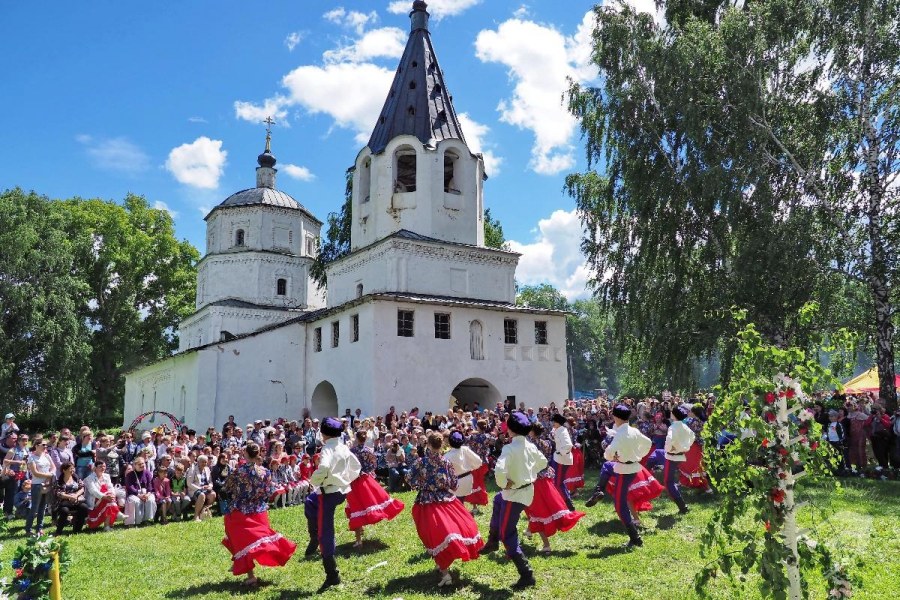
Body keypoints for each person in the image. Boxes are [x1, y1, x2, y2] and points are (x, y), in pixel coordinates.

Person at [407, 432, 483, 588]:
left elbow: (408, 478)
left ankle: (445, 573)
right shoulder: (446, 462)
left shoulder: (420, 462)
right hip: (447, 499)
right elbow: (454, 484)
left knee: (434, 535)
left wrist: (420, 482)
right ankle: (444, 564)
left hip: (427, 501)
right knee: (449, 530)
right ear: (441, 445)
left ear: (428, 444)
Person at [481, 412, 547, 589]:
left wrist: (505, 483)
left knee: (507, 533)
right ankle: (493, 540)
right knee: (497, 499)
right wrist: (528, 472)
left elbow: (499, 471)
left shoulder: (509, 449)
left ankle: (527, 574)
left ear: (509, 429)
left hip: (515, 494)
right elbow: (543, 462)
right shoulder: (529, 445)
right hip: (524, 492)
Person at [222, 442, 297, 588]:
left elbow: (226, 488)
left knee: (241, 542)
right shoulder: (265, 472)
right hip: (259, 511)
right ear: (258, 454)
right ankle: (238, 562)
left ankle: (250, 576)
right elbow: (269, 492)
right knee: (258, 540)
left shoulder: (239, 471)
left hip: (241, 510)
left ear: (245, 454)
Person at [304, 417, 361, 593]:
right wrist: (345, 481)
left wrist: (313, 481)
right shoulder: (343, 446)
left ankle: (332, 574)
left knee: (325, 532)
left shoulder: (327, 449)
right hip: (338, 491)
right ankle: (314, 534)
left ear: (324, 433)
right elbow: (356, 466)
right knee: (310, 503)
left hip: (328, 493)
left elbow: (324, 468)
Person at [524, 423, 585, 554]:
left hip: (534, 479)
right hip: (545, 478)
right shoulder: (546, 443)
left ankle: (546, 545)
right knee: (544, 506)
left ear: (532, 432)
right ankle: (529, 530)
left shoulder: (528, 445)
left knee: (537, 510)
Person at [599, 404, 651, 548]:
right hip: (632, 466)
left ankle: (635, 537)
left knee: (620, 504)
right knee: (620, 500)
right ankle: (635, 537)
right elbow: (648, 443)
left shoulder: (620, 434)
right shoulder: (634, 431)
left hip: (624, 469)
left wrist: (612, 455)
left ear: (616, 417)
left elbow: (608, 453)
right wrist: (638, 454)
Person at [345, 430, 404, 547]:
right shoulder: (368, 450)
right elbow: (374, 465)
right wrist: (367, 471)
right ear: (365, 439)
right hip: (366, 479)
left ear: (356, 438)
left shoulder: (351, 451)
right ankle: (360, 533)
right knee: (368, 503)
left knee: (356, 506)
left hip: (353, 480)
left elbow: (348, 466)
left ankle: (358, 540)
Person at [661, 404, 693, 514]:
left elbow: (669, 440)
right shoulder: (685, 427)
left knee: (668, 482)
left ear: (674, 415)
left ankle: (682, 506)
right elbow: (692, 437)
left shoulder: (673, 427)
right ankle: (682, 505)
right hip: (680, 455)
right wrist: (685, 447)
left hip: (672, 456)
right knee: (670, 481)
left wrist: (669, 448)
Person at [25, 437, 55, 536]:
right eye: (43, 445)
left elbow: (53, 467)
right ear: (36, 446)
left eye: (46, 445)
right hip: (37, 485)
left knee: (43, 507)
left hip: (47, 484)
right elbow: (35, 473)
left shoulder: (47, 456)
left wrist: (49, 476)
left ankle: (39, 528)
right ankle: (28, 529)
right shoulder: (31, 458)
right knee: (34, 508)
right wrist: (49, 476)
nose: (45, 446)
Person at [444, 431, 483, 504]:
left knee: (456, 504)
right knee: (460, 501)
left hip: (456, 484)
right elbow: (478, 462)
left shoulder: (447, 456)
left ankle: (461, 514)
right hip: (468, 480)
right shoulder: (465, 449)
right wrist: (471, 467)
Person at [83, 461, 121, 531]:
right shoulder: (89, 478)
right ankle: (117, 513)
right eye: (100, 467)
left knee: (109, 502)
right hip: (94, 500)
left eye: (104, 466)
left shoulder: (107, 476)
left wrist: (112, 494)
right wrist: (104, 496)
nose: (103, 468)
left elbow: (111, 487)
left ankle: (107, 526)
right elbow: (93, 491)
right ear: (95, 468)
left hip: (107, 498)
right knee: (108, 501)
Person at [53, 462, 89, 535]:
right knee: (64, 511)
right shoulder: (59, 481)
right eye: (70, 469)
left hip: (76, 500)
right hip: (64, 502)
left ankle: (77, 530)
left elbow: (82, 488)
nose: (72, 470)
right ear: (64, 470)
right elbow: (59, 493)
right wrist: (70, 497)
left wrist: (76, 495)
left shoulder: (76, 478)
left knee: (84, 508)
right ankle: (58, 531)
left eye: (73, 468)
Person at [550, 414, 575, 511]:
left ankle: (569, 505)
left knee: (558, 483)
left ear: (557, 422)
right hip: (560, 459)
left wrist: (560, 452)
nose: (552, 423)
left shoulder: (562, 431)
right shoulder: (559, 430)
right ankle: (566, 501)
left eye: (554, 422)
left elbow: (568, 445)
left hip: (562, 459)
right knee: (560, 482)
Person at [124, 456, 157, 526]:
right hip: (134, 494)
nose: (142, 465)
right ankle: (136, 521)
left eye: (143, 464)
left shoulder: (147, 473)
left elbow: (150, 484)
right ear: (135, 465)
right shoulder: (130, 475)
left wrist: (148, 494)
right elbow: (130, 487)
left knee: (150, 500)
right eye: (139, 464)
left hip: (146, 493)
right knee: (136, 501)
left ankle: (147, 520)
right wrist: (139, 495)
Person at [187, 454, 216, 521]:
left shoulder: (207, 469)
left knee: (213, 494)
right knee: (201, 495)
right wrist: (200, 488)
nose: (204, 463)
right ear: (198, 462)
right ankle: (196, 516)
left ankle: (202, 510)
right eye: (202, 462)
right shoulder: (192, 469)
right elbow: (189, 483)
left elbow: (210, 481)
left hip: (205, 489)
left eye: (205, 462)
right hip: (194, 489)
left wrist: (210, 486)